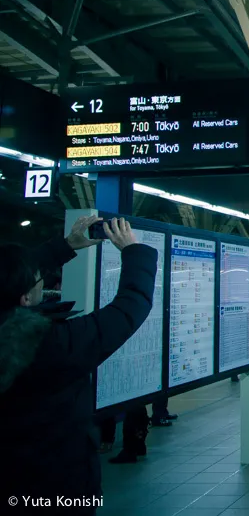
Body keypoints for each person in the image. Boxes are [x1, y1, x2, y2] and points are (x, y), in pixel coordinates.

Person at [0, 216, 156, 514]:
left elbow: (8, 274)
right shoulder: (49, 345)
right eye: (37, 279)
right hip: (53, 486)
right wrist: (133, 251)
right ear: (25, 297)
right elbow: (129, 308)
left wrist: (66, 246)